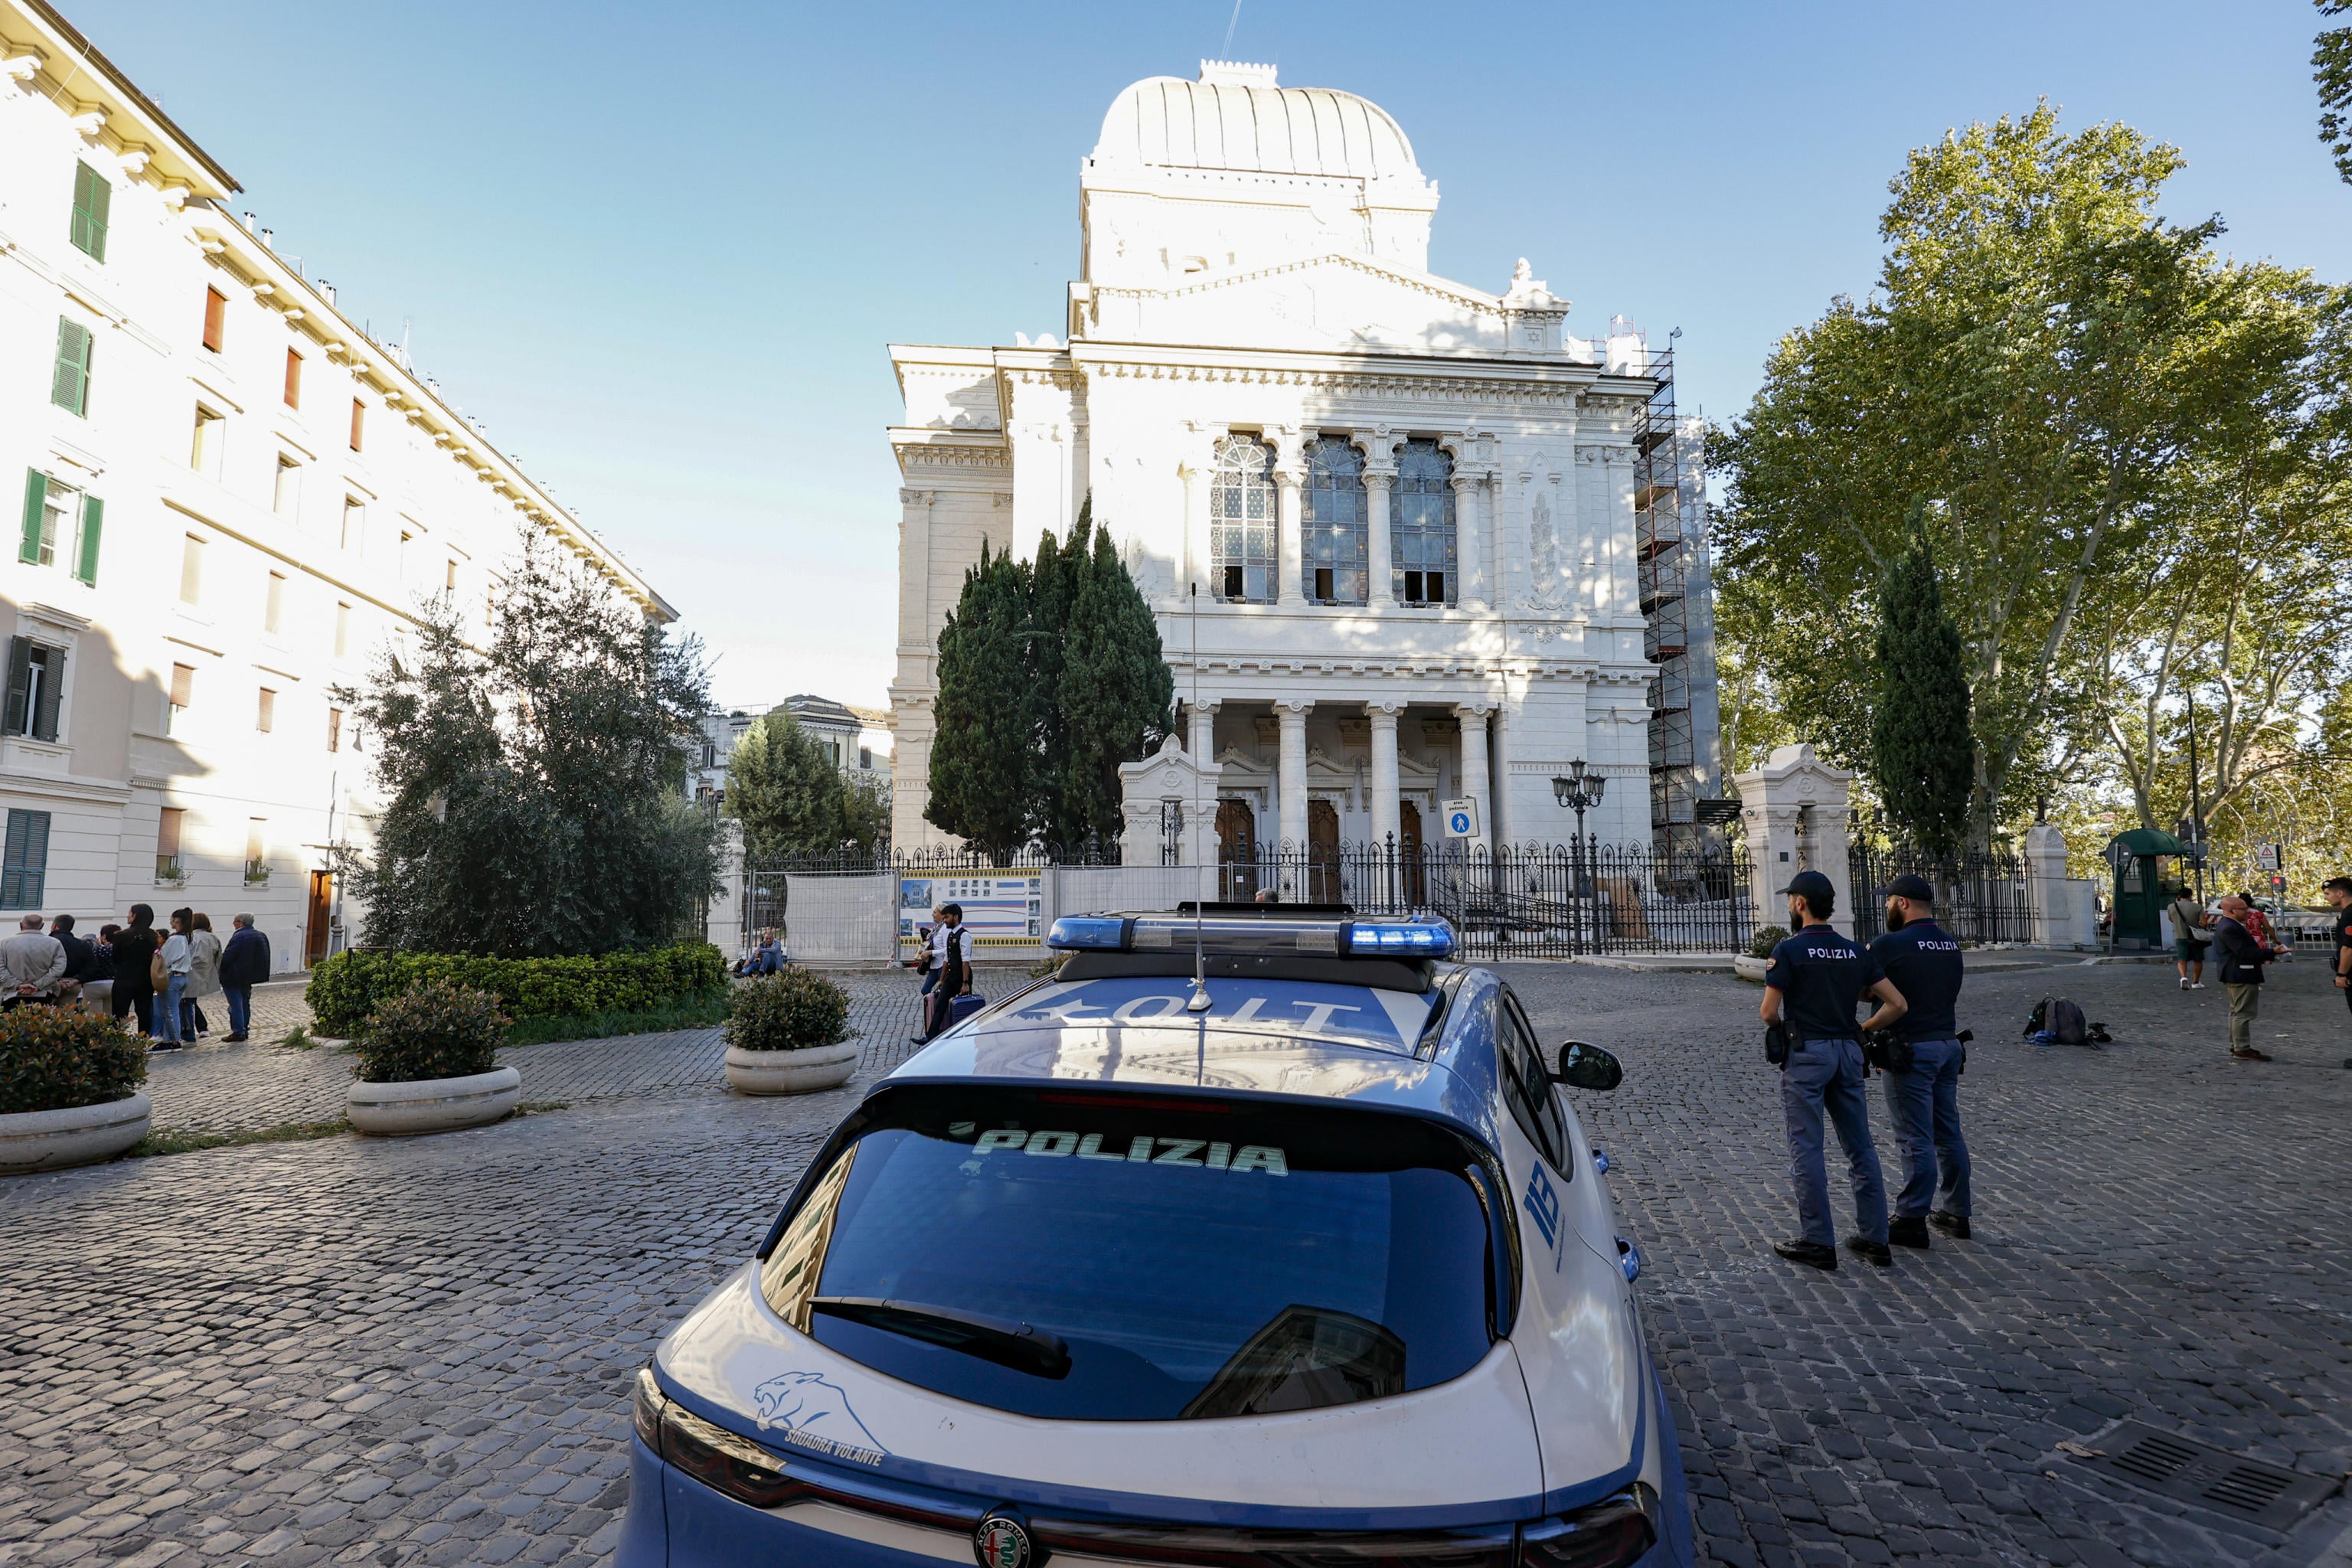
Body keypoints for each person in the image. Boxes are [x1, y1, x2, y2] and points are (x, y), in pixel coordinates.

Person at [1759, 871, 1909, 1271]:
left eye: (1791, 899)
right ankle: (1876, 1237)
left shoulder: (1788, 951)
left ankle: (1818, 1240)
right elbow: (1896, 1004)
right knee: (1861, 1146)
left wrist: (1782, 1030)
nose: (1791, 905)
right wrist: (1860, 1029)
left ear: (1801, 904)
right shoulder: (1856, 952)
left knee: (1807, 1148)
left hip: (1807, 1053)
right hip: (1848, 1051)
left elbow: (1769, 1012)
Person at [1867, 874, 1972, 1247]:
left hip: (1909, 1050)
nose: (1885, 906)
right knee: (1948, 1133)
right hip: (1947, 1045)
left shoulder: (1888, 945)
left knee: (1914, 1138)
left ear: (1903, 903)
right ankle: (1957, 1212)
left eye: (1889, 900)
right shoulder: (1950, 945)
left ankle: (1911, 1218)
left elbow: (1865, 990)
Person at [2211, 893, 2274, 1062]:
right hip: (2241, 973)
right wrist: (2273, 952)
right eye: (2243, 909)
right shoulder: (2230, 927)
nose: (2248, 911)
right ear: (2232, 911)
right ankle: (2241, 1048)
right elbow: (2245, 952)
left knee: (2236, 1012)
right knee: (2242, 1013)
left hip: (2236, 972)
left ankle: (2238, 1046)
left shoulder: (2230, 924)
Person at [916, 903, 975, 1045]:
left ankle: (963, 1037)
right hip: (950, 977)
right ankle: (931, 1038)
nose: (945, 920)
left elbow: (965, 961)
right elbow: (947, 959)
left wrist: (965, 983)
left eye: (947, 917)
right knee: (940, 1006)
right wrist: (942, 979)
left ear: (956, 917)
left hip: (962, 978)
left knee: (962, 1007)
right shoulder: (951, 934)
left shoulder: (964, 935)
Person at [217, 913, 270, 1043]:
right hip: (249, 976)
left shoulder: (239, 936)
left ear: (241, 923)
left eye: (235, 921)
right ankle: (244, 1028)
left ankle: (238, 1031)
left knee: (236, 1004)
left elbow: (229, 956)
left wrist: (221, 968)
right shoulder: (260, 935)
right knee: (245, 1003)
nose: (233, 924)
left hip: (234, 976)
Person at [109, 904, 160, 1037]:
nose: (127, 915)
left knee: (119, 1012)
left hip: (124, 978)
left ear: (135, 915)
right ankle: (144, 1040)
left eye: (130, 913)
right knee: (144, 1012)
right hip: (145, 979)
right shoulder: (153, 936)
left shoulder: (121, 936)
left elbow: (115, 958)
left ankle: (118, 1039)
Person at [0, 913, 66, 1007]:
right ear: (42, 926)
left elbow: (1, 970)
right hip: (43, 994)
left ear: (21, 925)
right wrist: (37, 985)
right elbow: (59, 969)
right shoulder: (54, 943)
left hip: (11, 995)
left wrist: (18, 985)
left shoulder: (4, 944)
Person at [152, 906, 195, 1049]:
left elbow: (165, 959)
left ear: (177, 920)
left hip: (173, 976)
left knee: (170, 1011)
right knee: (173, 1009)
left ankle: (174, 1041)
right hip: (183, 977)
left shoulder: (175, 939)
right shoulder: (189, 938)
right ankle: (167, 1039)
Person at [2325, 876, 2352, 1070]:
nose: (2326, 898)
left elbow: (2348, 948)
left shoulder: (2350, 914)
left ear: (2340, 893)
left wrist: (2342, 974)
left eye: (2328, 894)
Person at [182, 912, 224, 1039]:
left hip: (190, 972)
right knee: (191, 1001)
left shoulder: (191, 937)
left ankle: (189, 1031)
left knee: (187, 1001)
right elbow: (219, 957)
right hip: (206, 972)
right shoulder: (213, 937)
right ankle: (201, 1027)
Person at [2170, 884, 2210, 989]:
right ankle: (2196, 982)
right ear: (2190, 896)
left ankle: (2183, 977)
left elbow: (2171, 919)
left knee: (2182, 959)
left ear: (2179, 896)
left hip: (2180, 935)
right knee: (2198, 959)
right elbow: (2204, 923)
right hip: (2195, 937)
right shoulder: (2197, 907)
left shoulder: (2171, 906)